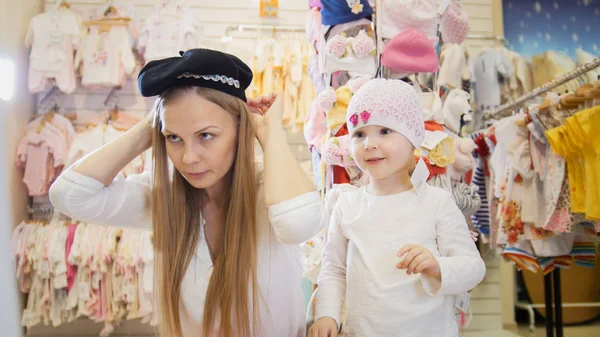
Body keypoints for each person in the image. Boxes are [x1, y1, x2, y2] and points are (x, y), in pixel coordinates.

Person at [49, 49, 328, 337]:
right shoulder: (164, 198)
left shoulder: (272, 192)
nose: (189, 158)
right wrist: (148, 130)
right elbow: (69, 195)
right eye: (174, 138)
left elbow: (298, 224)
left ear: (240, 128)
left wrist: (270, 135)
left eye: (205, 135)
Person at [308, 78, 486, 337]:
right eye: (359, 134)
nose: (369, 144)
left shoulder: (436, 202)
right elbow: (333, 269)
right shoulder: (346, 204)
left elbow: (474, 267)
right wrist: (326, 315)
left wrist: (438, 266)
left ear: (413, 137)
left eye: (385, 131)